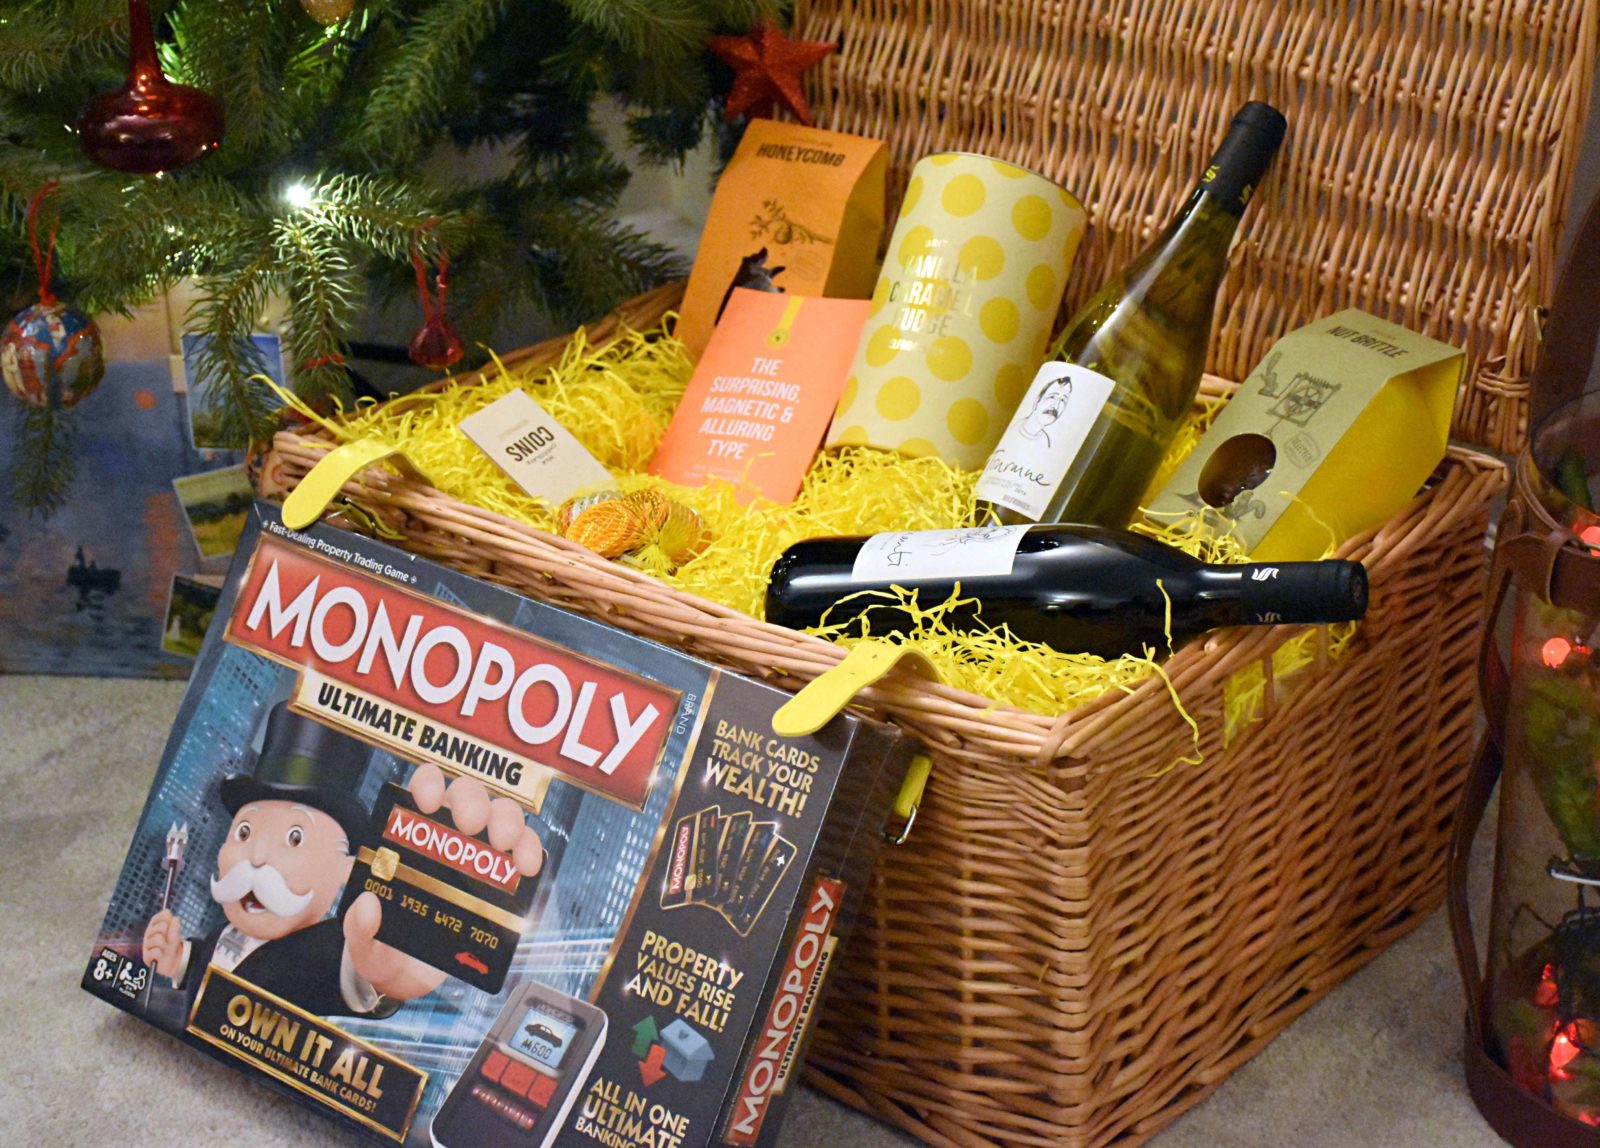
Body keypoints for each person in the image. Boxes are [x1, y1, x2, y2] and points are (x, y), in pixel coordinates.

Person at [142, 703, 541, 1018]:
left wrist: (407, 948)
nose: (257, 858)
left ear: (345, 869)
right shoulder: (222, 934)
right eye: (244, 833)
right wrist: (179, 961)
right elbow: (208, 967)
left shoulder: (327, 949)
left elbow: (364, 969)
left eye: (294, 838)